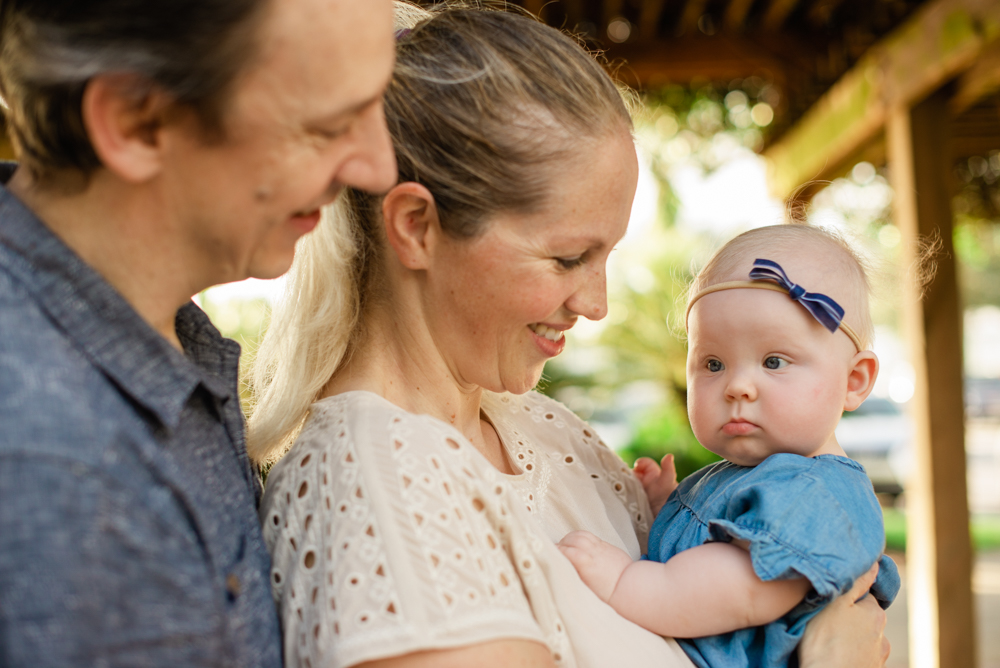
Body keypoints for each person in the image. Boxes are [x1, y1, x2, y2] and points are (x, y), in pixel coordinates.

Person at [252, 5, 892, 668]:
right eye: (567, 259)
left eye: (606, 257)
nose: (597, 304)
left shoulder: (549, 433)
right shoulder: (376, 490)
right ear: (416, 227)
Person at [0, 0, 396, 664]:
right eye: (330, 125)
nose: (378, 168)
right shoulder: (60, 467)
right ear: (137, 122)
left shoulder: (157, 333)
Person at [558, 224, 900, 667]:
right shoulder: (754, 477)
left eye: (774, 361)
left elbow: (737, 589)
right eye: (713, 363)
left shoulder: (818, 493)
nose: (737, 386)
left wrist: (625, 581)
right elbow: (710, 549)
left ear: (853, 381)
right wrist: (669, 508)